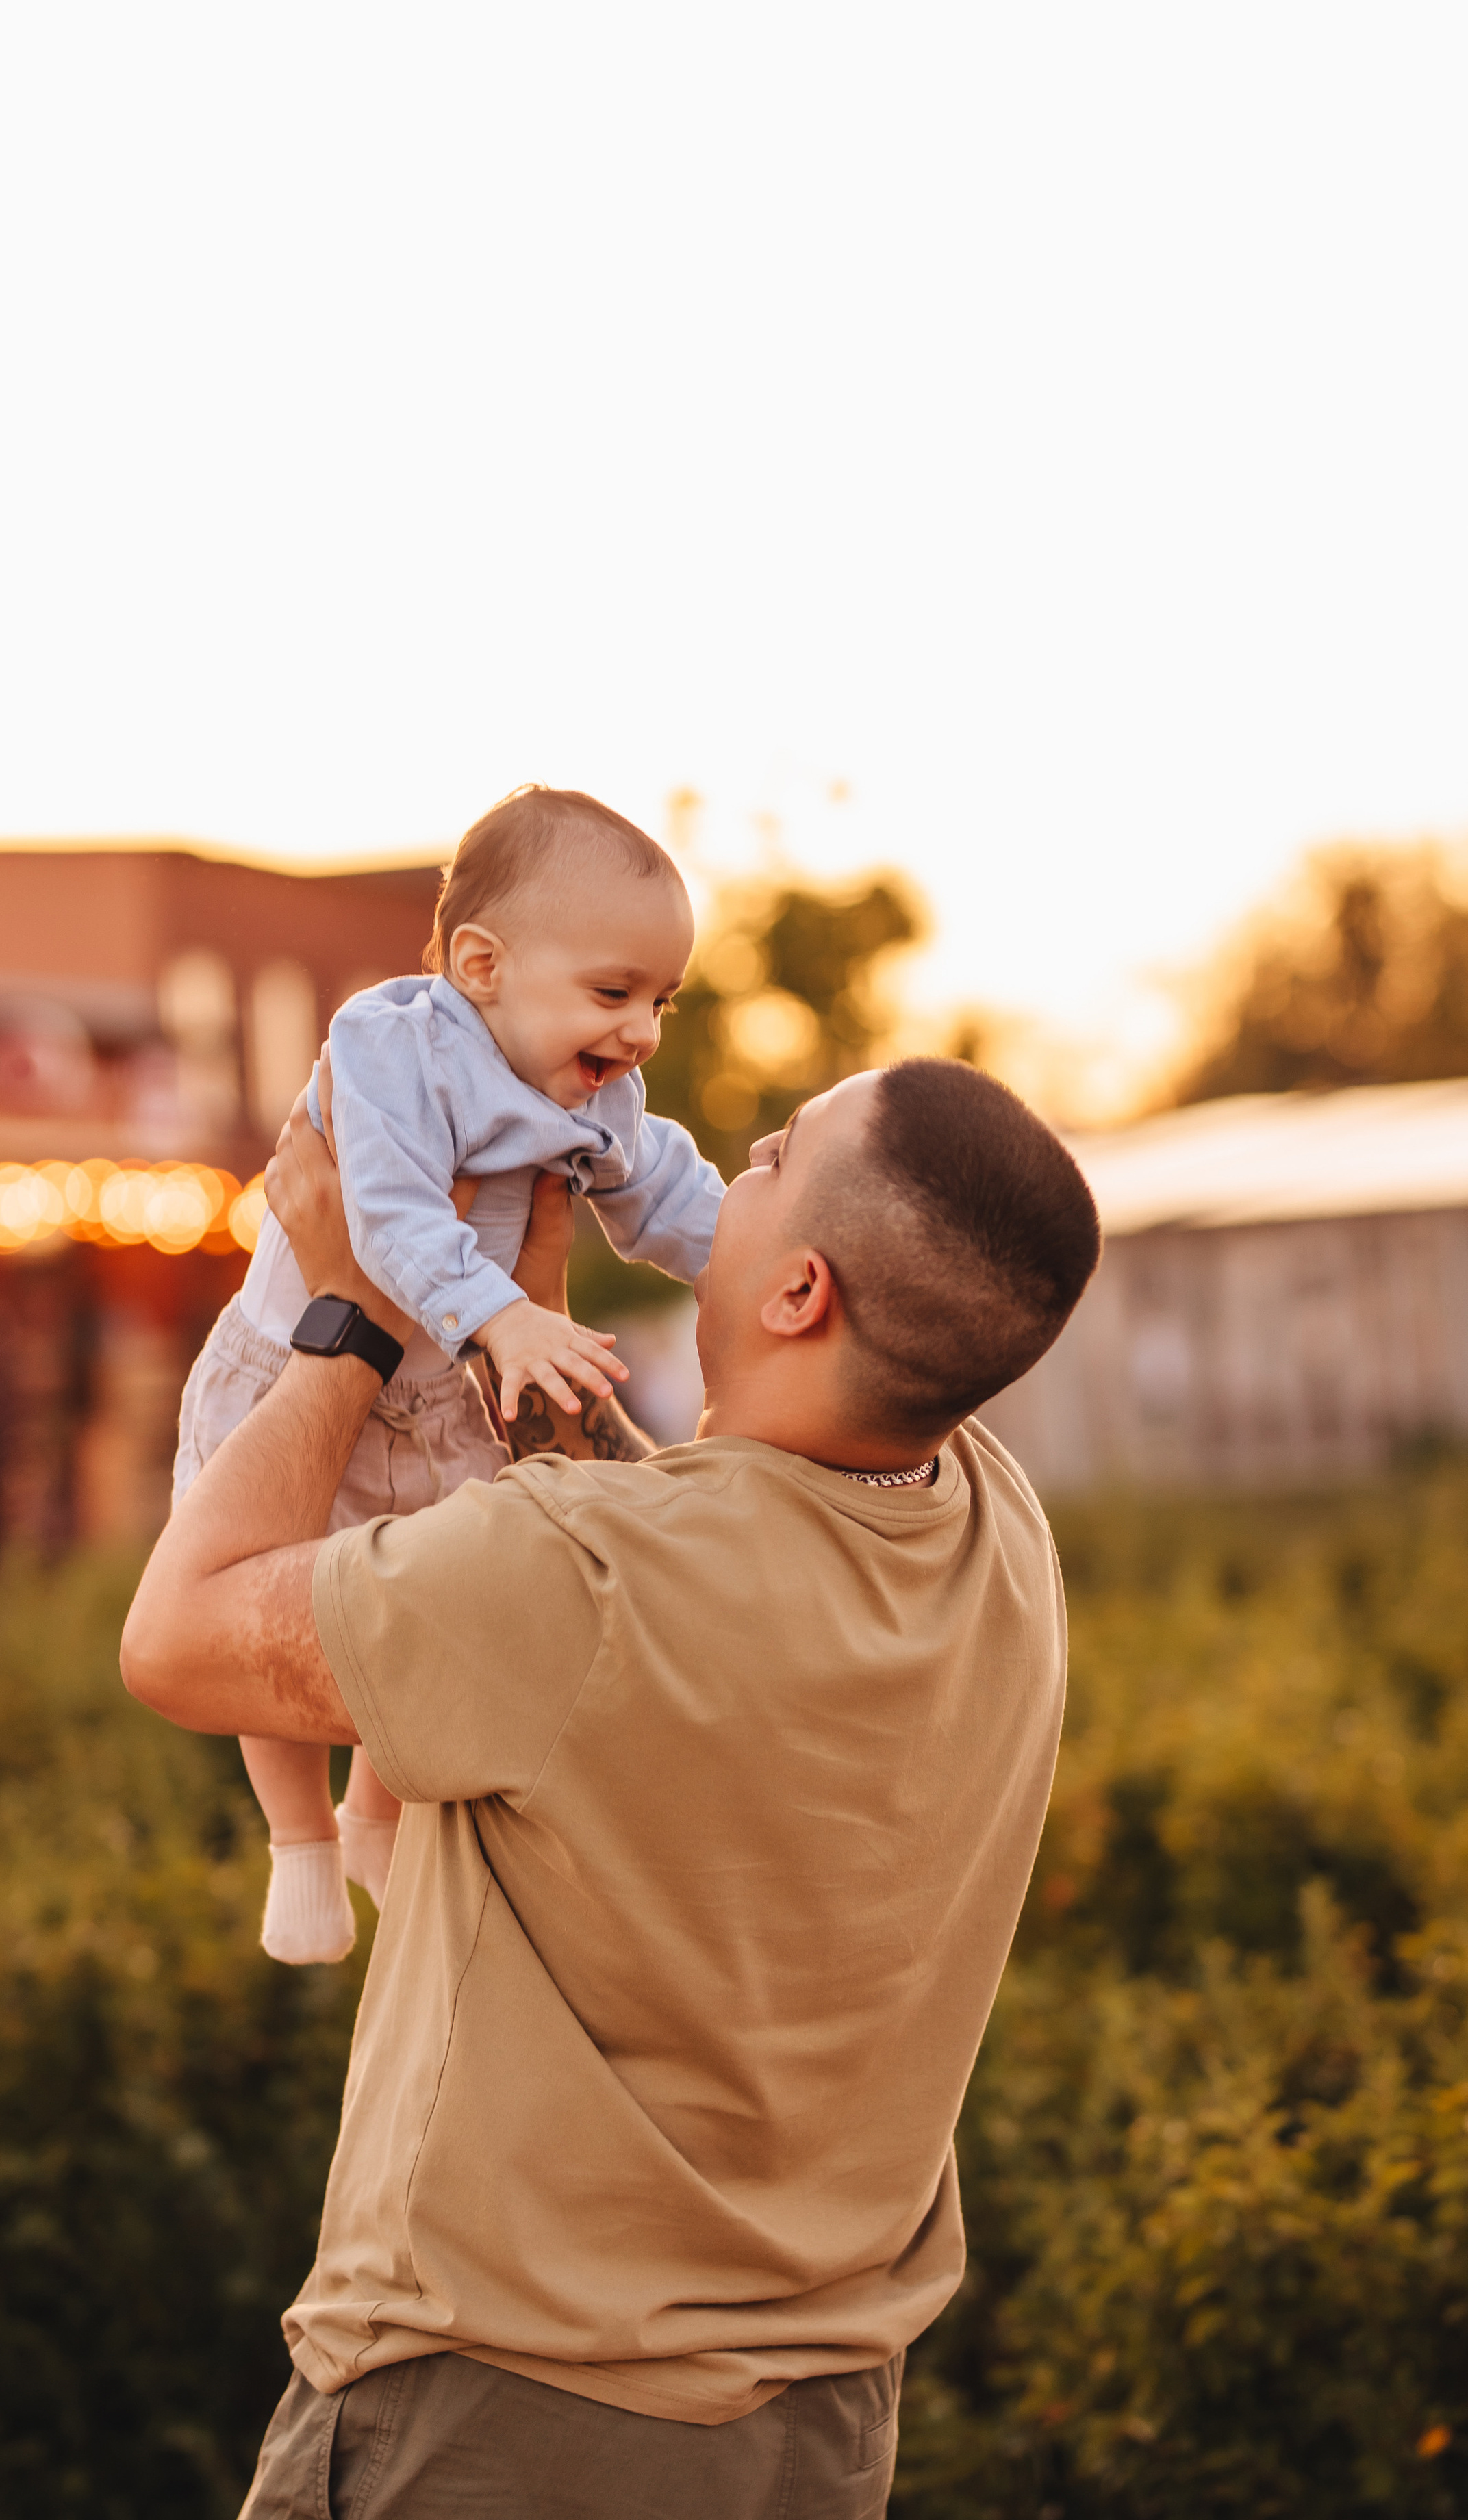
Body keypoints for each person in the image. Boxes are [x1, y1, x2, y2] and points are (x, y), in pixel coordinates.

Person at [122, 1050, 1101, 2518]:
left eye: (773, 1157)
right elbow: (694, 1547)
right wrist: (529, 1331)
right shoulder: (989, 1526)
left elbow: (177, 1641)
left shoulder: (578, 1582)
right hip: (816, 2434)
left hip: (502, 2420)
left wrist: (351, 1312)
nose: (727, 1160)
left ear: (800, 1293)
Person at [172, 786, 724, 1965]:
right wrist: (506, 1315)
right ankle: (299, 1840)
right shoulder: (391, 1048)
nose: (642, 1034)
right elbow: (389, 1216)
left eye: (662, 1001)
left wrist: (752, 1258)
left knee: (431, 1597)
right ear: (482, 966)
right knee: (261, 1597)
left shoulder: (596, 1090)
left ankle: (373, 1819)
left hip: (441, 1393)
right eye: (615, 993)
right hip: (299, 1363)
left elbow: (665, 1189)